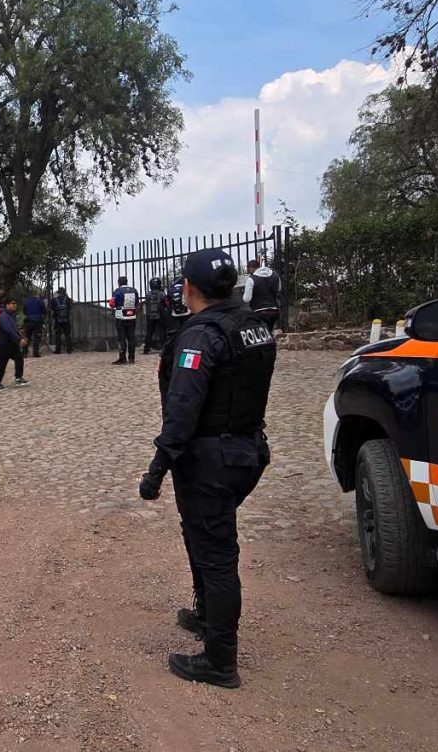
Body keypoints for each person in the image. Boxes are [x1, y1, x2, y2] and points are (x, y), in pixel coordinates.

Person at [138, 247, 276, 689]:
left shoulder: (201, 336)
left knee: (216, 554)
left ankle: (220, 659)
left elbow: (182, 410)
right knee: (200, 533)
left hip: (210, 459)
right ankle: (205, 614)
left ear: (188, 287)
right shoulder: (253, 326)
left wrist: (156, 470)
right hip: (247, 451)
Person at [0, 299, 30, 390]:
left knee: (19, 358)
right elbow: (8, 330)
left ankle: (19, 378)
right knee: (1, 364)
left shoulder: (11, 315)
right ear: (7, 305)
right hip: (3, 344)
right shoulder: (3, 316)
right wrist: (19, 339)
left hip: (12, 343)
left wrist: (21, 337)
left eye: (15, 303)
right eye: (13, 303)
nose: (15, 305)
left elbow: (14, 329)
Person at [242, 259, 282, 331]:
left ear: (251, 268)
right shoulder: (275, 275)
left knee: (262, 334)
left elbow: (246, 299)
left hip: (259, 312)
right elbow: (279, 289)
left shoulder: (251, 279)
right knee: (269, 332)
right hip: (274, 310)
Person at [109, 275, 139, 365]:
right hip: (132, 316)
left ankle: (122, 358)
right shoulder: (134, 290)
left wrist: (113, 306)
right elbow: (137, 303)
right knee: (131, 337)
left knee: (121, 338)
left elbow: (112, 303)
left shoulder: (117, 291)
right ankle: (131, 358)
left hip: (120, 317)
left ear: (119, 283)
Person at [142, 277, 168, 355]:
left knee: (149, 332)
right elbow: (166, 304)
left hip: (150, 316)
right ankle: (164, 348)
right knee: (162, 332)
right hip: (160, 315)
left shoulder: (148, 294)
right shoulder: (162, 294)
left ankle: (146, 349)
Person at [22, 292, 46, 358]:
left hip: (28, 320)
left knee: (26, 337)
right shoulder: (40, 301)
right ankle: (35, 353)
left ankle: (24, 353)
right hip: (38, 320)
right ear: (36, 295)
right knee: (37, 337)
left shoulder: (26, 301)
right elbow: (44, 310)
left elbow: (24, 311)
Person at [51, 287, 73, 354]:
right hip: (66, 319)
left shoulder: (54, 300)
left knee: (58, 335)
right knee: (67, 334)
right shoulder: (68, 299)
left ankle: (58, 350)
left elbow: (51, 308)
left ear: (58, 293)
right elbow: (70, 307)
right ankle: (69, 349)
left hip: (57, 319)